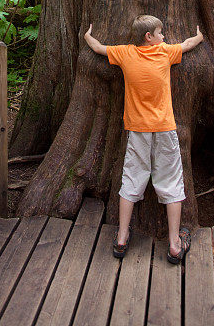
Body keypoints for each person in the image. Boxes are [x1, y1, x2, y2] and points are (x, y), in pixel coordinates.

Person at [84, 14, 204, 264]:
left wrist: (87, 35)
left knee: (132, 177)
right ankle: (173, 244)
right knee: (171, 180)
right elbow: (188, 44)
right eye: (161, 33)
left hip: (137, 130)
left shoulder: (126, 53)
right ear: (149, 37)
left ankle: (121, 236)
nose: (164, 37)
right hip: (163, 128)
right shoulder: (164, 52)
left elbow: (97, 48)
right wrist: (200, 35)